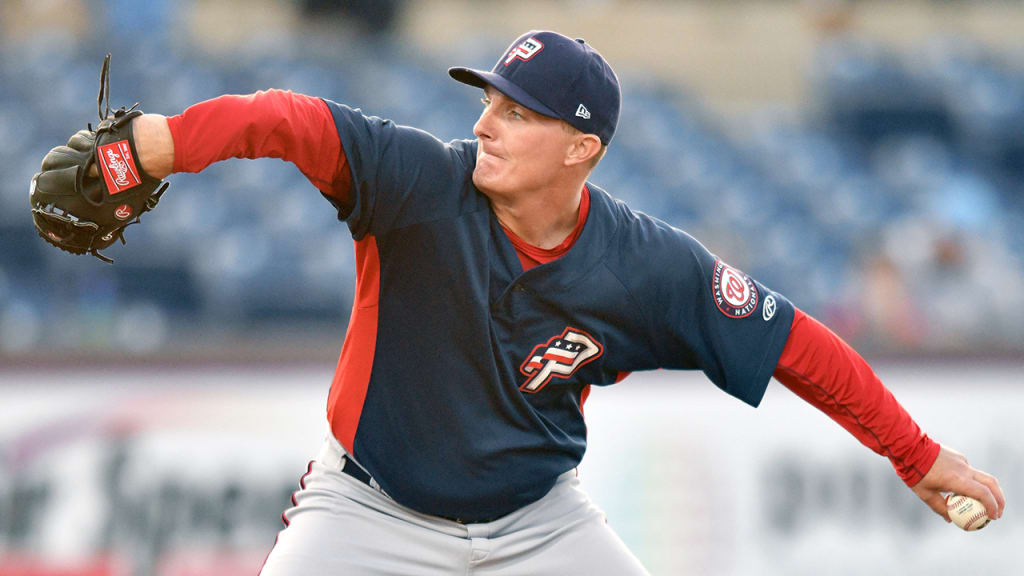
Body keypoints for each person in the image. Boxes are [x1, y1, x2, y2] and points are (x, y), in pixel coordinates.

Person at [112, 30, 1003, 575]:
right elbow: (287, 119)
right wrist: (152, 147)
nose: (489, 122)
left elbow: (798, 344)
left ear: (582, 148)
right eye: (492, 100)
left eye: (521, 113)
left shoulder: (645, 265)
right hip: (369, 510)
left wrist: (914, 455)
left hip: (537, 527)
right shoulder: (420, 182)